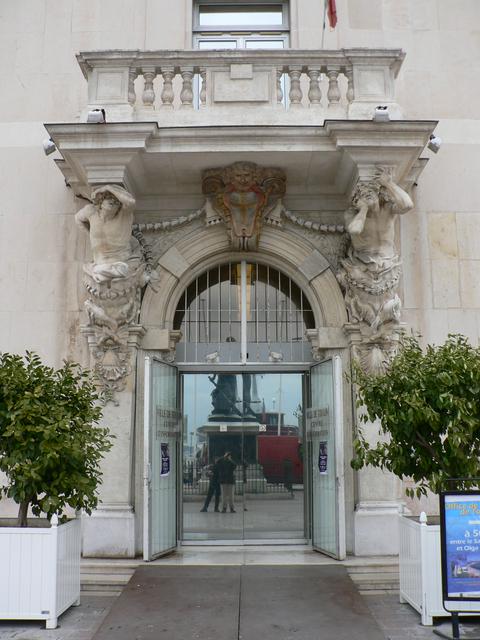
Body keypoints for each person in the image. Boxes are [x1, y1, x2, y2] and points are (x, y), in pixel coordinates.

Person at [75, 185, 136, 283]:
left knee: (113, 272)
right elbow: (78, 218)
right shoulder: (91, 212)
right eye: (109, 198)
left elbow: (131, 203)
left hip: (119, 263)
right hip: (99, 261)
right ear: (101, 202)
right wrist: (89, 233)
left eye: (117, 201)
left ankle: (101, 271)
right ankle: (100, 271)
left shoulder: (123, 215)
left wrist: (109, 188)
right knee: (98, 273)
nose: (114, 201)